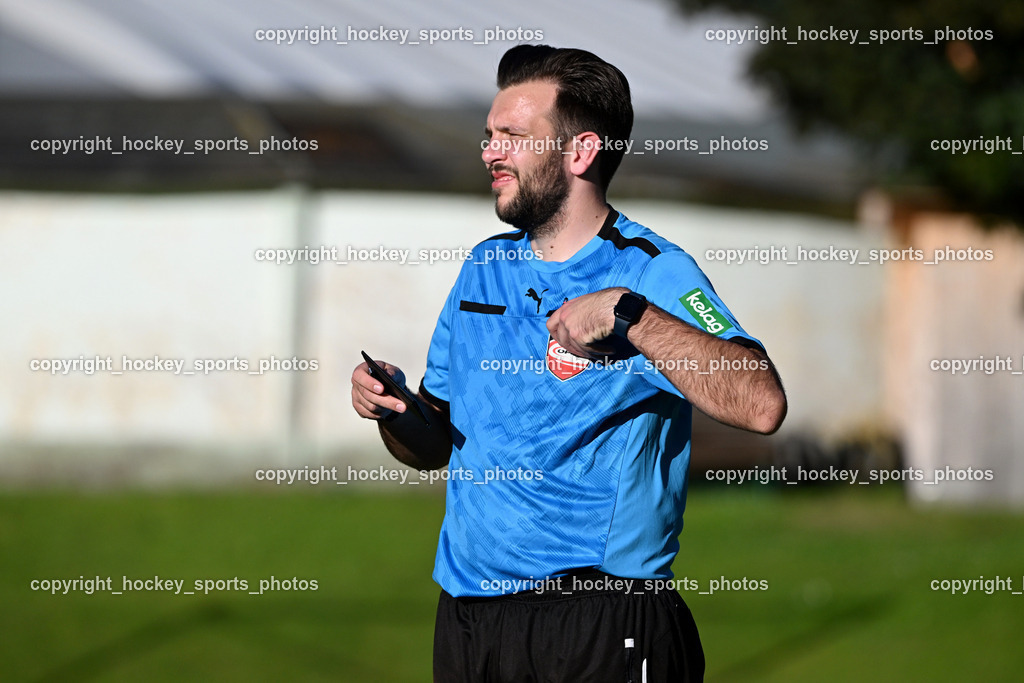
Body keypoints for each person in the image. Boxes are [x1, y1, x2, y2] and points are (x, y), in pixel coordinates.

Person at [351, 44, 787, 683]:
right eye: (489, 135)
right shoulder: (484, 266)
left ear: (580, 152)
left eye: (512, 137)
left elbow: (763, 402)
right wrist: (392, 409)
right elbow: (435, 442)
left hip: (601, 621)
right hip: (470, 620)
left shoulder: (650, 271)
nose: (490, 153)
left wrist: (629, 316)